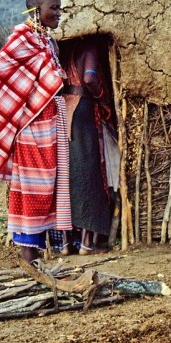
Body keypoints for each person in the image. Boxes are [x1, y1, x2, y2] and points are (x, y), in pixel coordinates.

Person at [0, 0, 71, 263]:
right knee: (31, 189)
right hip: (32, 129)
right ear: (36, 11)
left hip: (51, 124)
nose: (58, 13)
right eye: (53, 8)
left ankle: (36, 254)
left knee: (48, 187)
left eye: (60, 8)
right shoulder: (22, 40)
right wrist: (19, 115)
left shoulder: (46, 41)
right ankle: (27, 255)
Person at [53, 39, 113, 255]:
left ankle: (66, 243)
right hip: (82, 107)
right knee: (89, 172)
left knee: (67, 174)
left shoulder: (62, 48)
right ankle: (88, 243)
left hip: (62, 106)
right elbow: (89, 77)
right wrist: (102, 97)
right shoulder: (90, 46)